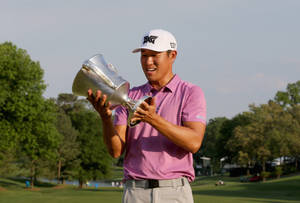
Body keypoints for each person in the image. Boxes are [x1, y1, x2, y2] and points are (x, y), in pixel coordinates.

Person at [87, 29, 206, 203]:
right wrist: (105, 119)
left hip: (174, 191)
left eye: (154, 55)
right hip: (135, 192)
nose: (148, 62)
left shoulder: (190, 93)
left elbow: (194, 142)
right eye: (144, 55)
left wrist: (153, 119)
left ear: (172, 55)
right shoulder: (128, 96)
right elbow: (116, 151)